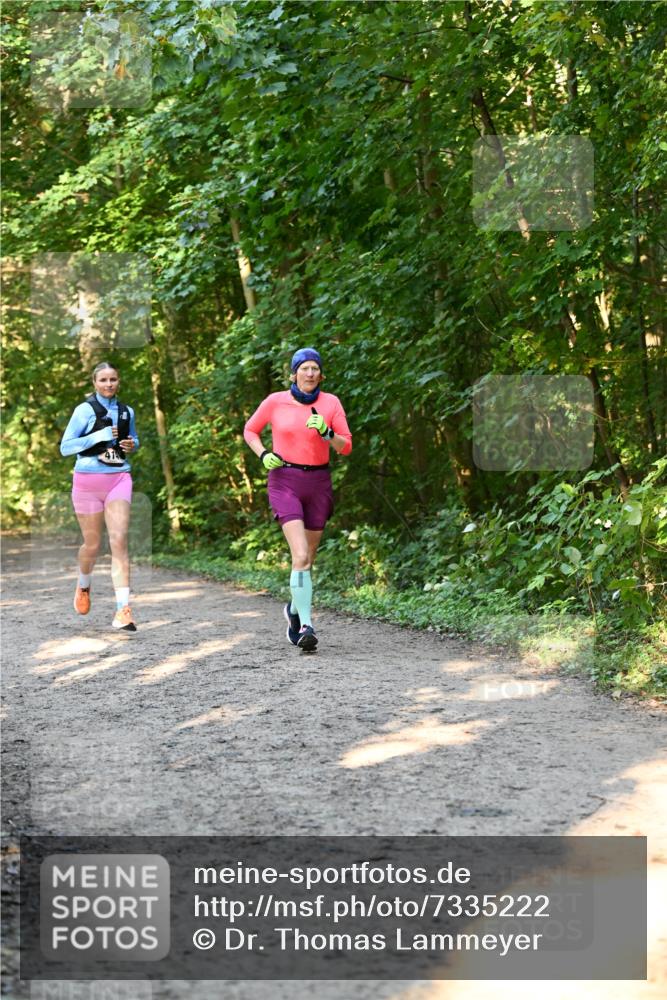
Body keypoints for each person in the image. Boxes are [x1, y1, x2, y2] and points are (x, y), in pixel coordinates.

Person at [243, 347, 352, 651]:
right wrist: (263, 454)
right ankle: (306, 625)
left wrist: (328, 433)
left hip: (318, 482)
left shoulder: (330, 403)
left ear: (321, 374)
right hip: (284, 480)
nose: (310, 373)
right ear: (293, 373)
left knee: (309, 558)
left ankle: (292, 610)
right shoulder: (275, 401)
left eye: (315, 368)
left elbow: (346, 447)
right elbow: (250, 430)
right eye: (304, 368)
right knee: (300, 555)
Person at [60, 362, 139, 631]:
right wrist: (98, 436)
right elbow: (65, 447)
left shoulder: (127, 411)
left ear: (119, 381)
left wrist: (132, 444)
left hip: (119, 478)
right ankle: (83, 585)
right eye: (103, 380)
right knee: (92, 544)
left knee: (119, 540)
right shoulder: (83, 411)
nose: (109, 384)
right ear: (94, 383)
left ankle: (123, 611)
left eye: (113, 379)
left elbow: (134, 440)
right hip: (87, 482)